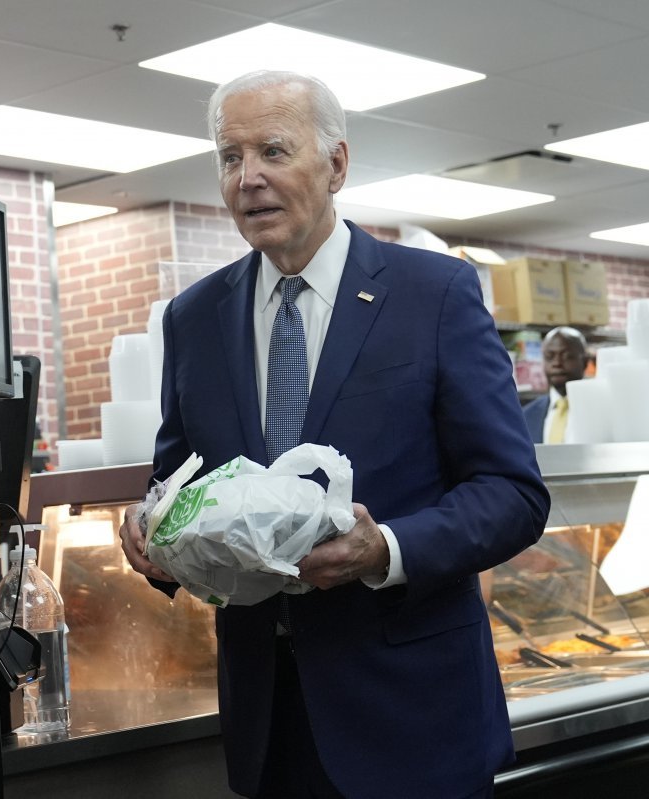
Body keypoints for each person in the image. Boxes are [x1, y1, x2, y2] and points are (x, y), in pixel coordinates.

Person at [118, 70, 550, 799]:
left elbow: (511, 493)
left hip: (413, 721)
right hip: (269, 720)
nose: (248, 178)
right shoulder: (192, 319)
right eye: (230, 158)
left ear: (337, 164)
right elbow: (175, 480)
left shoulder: (434, 294)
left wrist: (386, 548)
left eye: (274, 152)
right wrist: (149, 529)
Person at [522, 326, 588, 444]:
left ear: (585, 362)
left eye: (567, 356)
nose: (557, 363)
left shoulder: (602, 410)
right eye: (549, 357)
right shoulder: (526, 415)